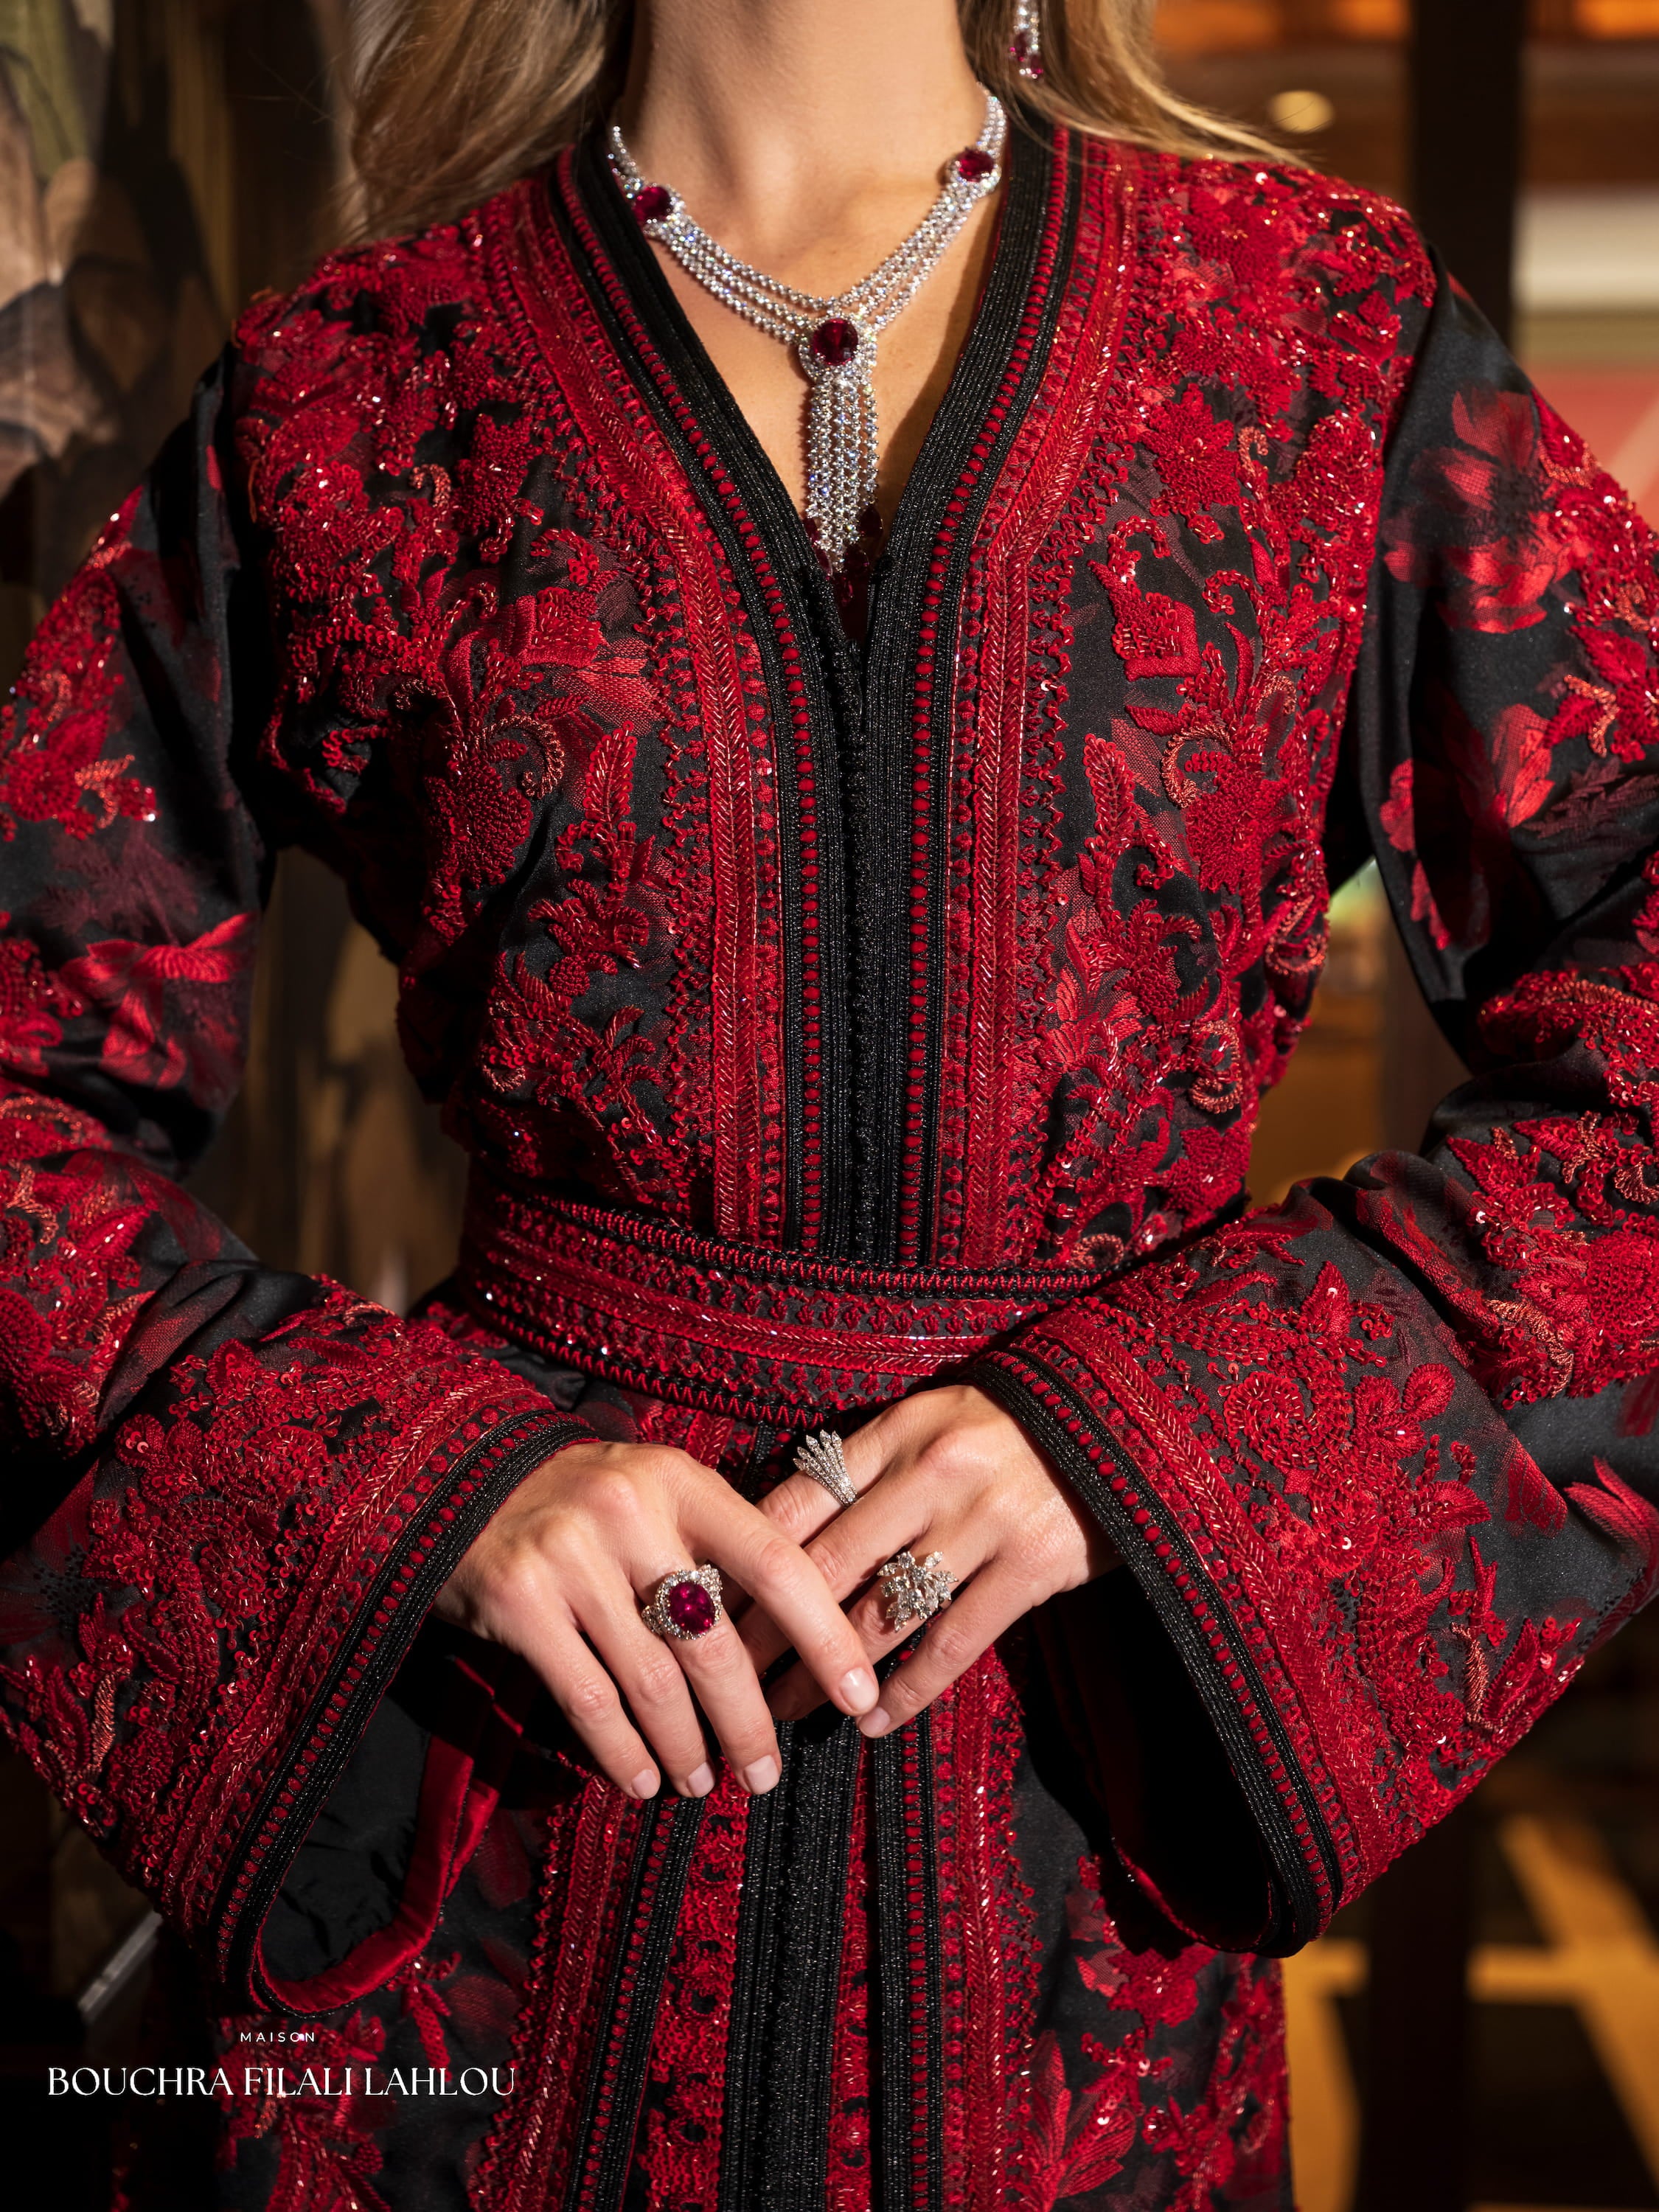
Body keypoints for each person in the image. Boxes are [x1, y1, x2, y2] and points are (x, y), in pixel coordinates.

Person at [1, 0, 1655, 2203]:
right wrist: (417, 1492)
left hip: (1075, 1883)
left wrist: (1165, 1434)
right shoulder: (362, 385)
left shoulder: (1313, 343)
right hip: (497, 1864)